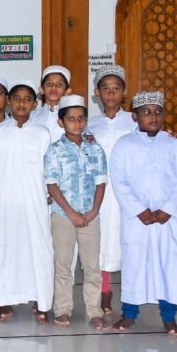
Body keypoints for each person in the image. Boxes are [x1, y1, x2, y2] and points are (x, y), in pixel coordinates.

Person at [110, 91, 177, 337]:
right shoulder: (124, 145)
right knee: (135, 264)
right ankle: (129, 314)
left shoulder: (174, 144)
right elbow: (119, 179)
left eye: (158, 112)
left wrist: (168, 209)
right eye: (146, 112)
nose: (153, 117)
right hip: (137, 219)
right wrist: (139, 209)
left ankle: (169, 317)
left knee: (169, 265)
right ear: (135, 117)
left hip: (168, 219)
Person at [44, 94, 108, 329]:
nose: (77, 123)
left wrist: (94, 211)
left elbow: (101, 182)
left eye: (81, 118)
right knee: (63, 265)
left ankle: (94, 311)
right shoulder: (54, 150)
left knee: (91, 266)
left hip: (91, 216)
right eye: (71, 119)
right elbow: (52, 185)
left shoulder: (95, 148)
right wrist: (70, 213)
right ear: (61, 122)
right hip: (63, 216)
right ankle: (62, 309)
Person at [0, 79, 54, 323]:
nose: (21, 104)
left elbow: (49, 167)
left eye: (27, 99)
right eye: (17, 99)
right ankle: (5, 301)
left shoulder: (42, 133)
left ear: (35, 104)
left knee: (39, 249)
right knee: (6, 248)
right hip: (5, 200)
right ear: (9, 102)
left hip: (36, 200)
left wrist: (49, 191)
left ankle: (41, 301)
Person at [88, 65, 133, 314]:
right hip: (102, 192)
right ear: (97, 92)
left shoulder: (134, 121)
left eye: (116, 88)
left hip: (128, 192)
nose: (111, 93)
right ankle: (105, 291)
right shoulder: (91, 124)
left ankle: (131, 293)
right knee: (103, 239)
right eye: (105, 88)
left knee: (128, 239)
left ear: (124, 92)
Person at [31, 65, 72, 143]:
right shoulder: (32, 117)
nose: (53, 87)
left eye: (59, 84)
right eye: (49, 83)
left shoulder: (73, 118)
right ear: (41, 89)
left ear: (67, 91)